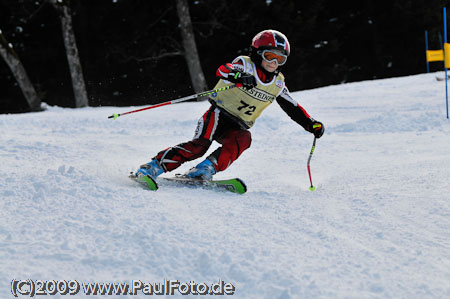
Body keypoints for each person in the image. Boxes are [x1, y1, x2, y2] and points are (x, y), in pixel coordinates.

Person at [135, 29, 324, 181]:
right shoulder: (245, 64)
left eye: (280, 59)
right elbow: (224, 69)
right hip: (218, 115)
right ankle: (153, 167)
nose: (274, 63)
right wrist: (239, 76)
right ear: (258, 53)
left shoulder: (278, 83)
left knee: (243, 139)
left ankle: (204, 170)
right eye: (269, 56)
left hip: (237, 125)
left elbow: (293, 108)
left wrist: (311, 124)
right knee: (199, 146)